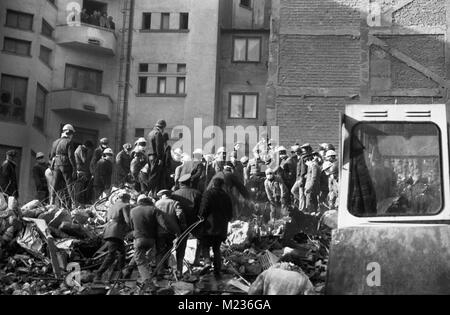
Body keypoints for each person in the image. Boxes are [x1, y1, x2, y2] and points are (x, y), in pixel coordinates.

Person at [198, 177, 233, 279]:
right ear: (222, 185)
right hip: (221, 227)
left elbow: (203, 208)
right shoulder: (226, 196)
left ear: (213, 184)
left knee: (205, 245)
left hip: (209, 226)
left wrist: (201, 217)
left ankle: (207, 262)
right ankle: (217, 270)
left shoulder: (208, 194)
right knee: (216, 248)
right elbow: (230, 214)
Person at [94, 193, 131, 281]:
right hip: (116, 232)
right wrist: (130, 230)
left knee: (122, 252)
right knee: (112, 255)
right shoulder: (125, 205)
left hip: (109, 230)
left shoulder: (111, 207)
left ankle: (121, 272)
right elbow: (127, 221)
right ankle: (99, 273)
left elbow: (107, 219)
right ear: (126, 199)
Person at [130, 195, 163, 286]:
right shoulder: (154, 209)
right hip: (152, 239)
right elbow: (162, 224)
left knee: (140, 260)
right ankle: (129, 269)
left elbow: (131, 225)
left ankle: (147, 281)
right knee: (146, 255)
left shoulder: (133, 210)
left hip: (139, 238)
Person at [172, 174, 202, 272]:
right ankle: (197, 260)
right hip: (195, 221)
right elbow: (201, 209)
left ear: (180, 183)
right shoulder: (197, 193)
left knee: (181, 244)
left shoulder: (174, 194)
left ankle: (179, 268)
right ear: (190, 183)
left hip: (181, 223)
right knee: (200, 240)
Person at [154, 189, 182, 276]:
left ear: (161, 195)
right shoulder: (175, 202)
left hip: (159, 231)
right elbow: (180, 215)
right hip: (172, 231)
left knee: (159, 250)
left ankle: (159, 270)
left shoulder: (156, 204)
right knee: (169, 248)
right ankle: (165, 265)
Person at [49, 124, 77, 207]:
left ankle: (52, 201)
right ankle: (73, 203)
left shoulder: (55, 142)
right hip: (65, 164)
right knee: (69, 184)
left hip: (56, 164)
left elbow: (51, 155)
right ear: (70, 133)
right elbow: (71, 156)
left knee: (55, 183)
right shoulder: (69, 142)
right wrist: (74, 168)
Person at [147, 119, 167, 196]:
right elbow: (159, 147)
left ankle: (150, 191)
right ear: (162, 127)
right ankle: (150, 192)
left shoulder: (150, 133)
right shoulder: (158, 134)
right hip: (155, 156)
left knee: (151, 174)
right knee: (155, 176)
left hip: (150, 156)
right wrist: (160, 158)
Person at [74, 140, 94, 205]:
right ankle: (78, 203)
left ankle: (80, 202)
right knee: (80, 189)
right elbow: (84, 160)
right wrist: (89, 154)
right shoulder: (80, 150)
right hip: (80, 171)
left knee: (82, 188)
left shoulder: (82, 149)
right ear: (87, 146)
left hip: (82, 170)